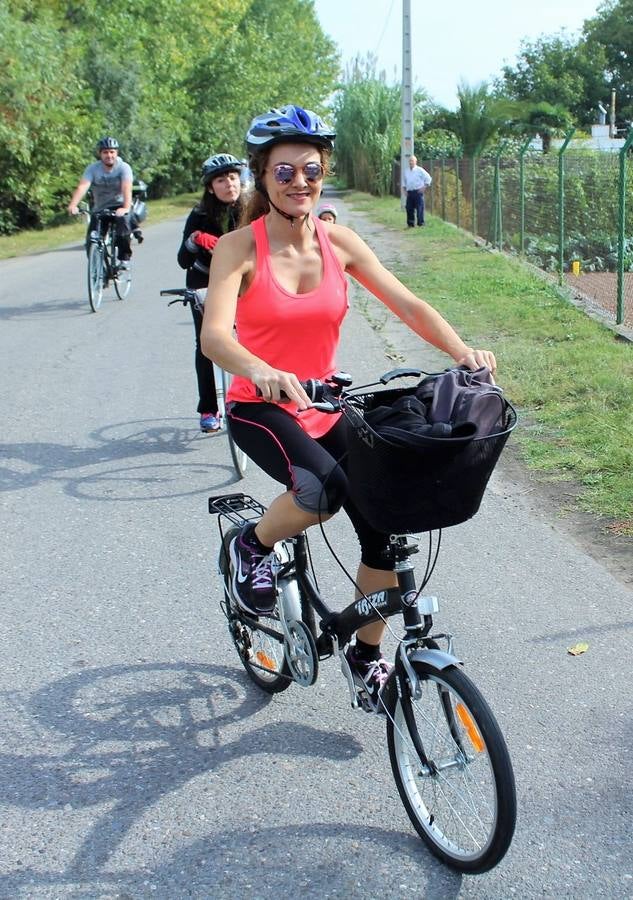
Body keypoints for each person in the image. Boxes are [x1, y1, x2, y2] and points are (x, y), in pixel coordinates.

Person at [200, 105, 496, 707]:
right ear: (262, 176)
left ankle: (364, 656)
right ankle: (251, 545)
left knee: (386, 522)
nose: (300, 182)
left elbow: (407, 305)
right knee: (321, 491)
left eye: (311, 169)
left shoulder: (340, 241)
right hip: (262, 405)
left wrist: (465, 352)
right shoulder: (238, 247)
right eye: (284, 172)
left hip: (328, 405)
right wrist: (263, 371)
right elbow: (215, 336)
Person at [177, 153, 244, 432]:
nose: (229, 184)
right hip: (204, 281)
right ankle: (208, 409)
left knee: (254, 339)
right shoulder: (200, 214)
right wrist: (194, 241)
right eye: (221, 179)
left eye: (233, 177)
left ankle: (252, 400)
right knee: (206, 346)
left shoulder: (253, 208)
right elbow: (183, 260)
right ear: (209, 187)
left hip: (243, 281)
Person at [68, 136, 134, 265]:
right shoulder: (93, 169)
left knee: (123, 233)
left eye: (112, 152)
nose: (109, 155)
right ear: (100, 154)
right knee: (91, 241)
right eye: (105, 152)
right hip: (101, 208)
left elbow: (127, 187)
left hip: (120, 206)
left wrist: (125, 208)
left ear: (116, 153)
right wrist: (73, 205)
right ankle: (100, 270)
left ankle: (123, 260)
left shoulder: (124, 167)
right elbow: (83, 186)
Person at [402, 154, 432, 228]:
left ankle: (421, 223)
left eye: (412, 161)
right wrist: (404, 190)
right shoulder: (406, 171)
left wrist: (424, 187)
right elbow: (404, 182)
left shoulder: (420, 170)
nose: (411, 162)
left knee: (419, 208)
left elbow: (428, 178)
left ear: (415, 161)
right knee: (409, 208)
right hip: (410, 192)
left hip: (418, 192)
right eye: (410, 161)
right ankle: (410, 224)